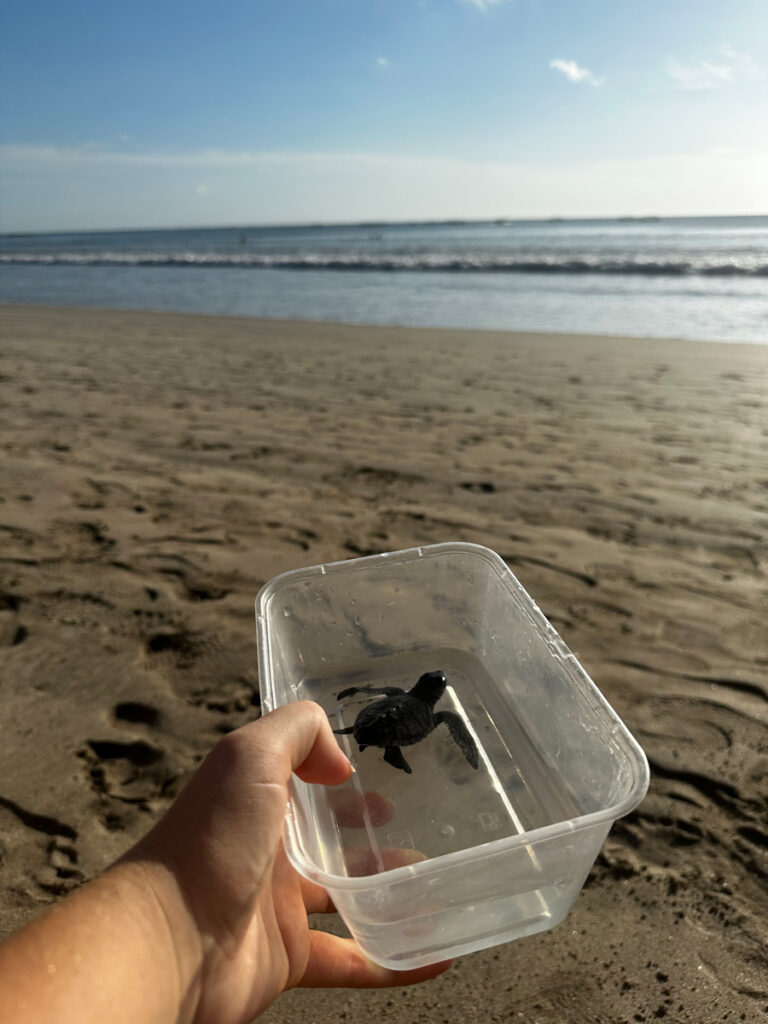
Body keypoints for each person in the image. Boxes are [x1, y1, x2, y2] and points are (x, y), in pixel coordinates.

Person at [0, 702, 450, 1023]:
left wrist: (181, 922)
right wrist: (184, 923)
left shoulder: (391, 696)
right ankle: (394, 751)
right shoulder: (436, 711)